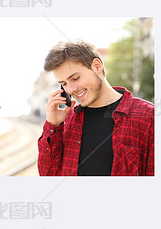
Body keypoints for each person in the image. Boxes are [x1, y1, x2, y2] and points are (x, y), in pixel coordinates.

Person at [38, 40, 154, 176]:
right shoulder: (67, 121)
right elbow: (48, 175)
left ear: (97, 66)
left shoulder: (148, 116)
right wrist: (53, 126)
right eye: (64, 83)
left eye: (75, 78)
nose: (70, 89)